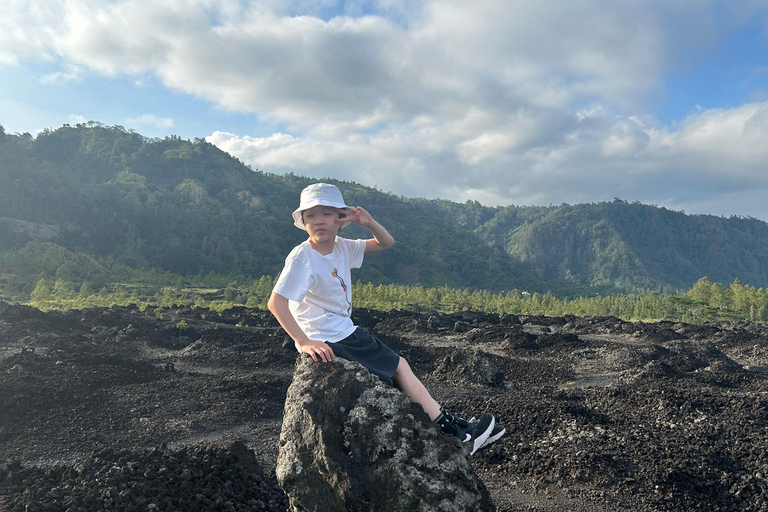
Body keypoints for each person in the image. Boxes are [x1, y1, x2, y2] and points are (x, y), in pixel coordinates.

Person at [268, 183, 504, 455]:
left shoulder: (342, 247)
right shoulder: (303, 256)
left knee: (394, 374)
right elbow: (276, 302)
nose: (318, 220)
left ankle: (447, 427)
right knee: (400, 366)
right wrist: (305, 341)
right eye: (310, 216)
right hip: (334, 336)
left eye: (327, 213)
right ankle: (458, 434)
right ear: (303, 222)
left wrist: (368, 222)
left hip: (342, 331)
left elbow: (385, 243)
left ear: (341, 220)